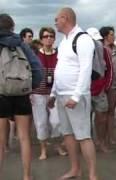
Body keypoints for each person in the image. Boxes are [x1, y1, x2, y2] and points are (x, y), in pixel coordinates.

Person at [49, 7, 98, 180]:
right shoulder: (63, 42)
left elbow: (85, 70)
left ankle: (93, 174)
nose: (55, 22)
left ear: (66, 18)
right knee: (68, 135)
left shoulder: (83, 39)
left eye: (57, 19)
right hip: (62, 94)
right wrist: (53, 93)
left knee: (83, 135)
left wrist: (76, 96)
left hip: (76, 95)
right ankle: (75, 169)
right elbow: (59, 70)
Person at [0, 13, 43, 180]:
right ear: (12, 27)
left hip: (1, 94)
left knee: (1, 141)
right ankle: (26, 176)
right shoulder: (22, 44)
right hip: (22, 94)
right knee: (24, 137)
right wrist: (28, 87)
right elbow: (37, 69)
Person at [31, 26, 67, 160]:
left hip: (54, 93)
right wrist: (29, 92)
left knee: (56, 121)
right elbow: (30, 73)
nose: (49, 38)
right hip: (38, 92)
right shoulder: (35, 55)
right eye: (46, 36)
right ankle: (43, 149)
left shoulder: (59, 54)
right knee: (41, 122)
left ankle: (57, 144)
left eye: (51, 36)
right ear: (41, 39)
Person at [86, 27, 113, 153]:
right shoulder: (82, 51)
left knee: (102, 118)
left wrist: (106, 86)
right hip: (85, 90)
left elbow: (110, 70)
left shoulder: (104, 50)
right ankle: (89, 143)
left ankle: (101, 142)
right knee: (86, 119)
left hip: (100, 89)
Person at [100, 26, 116, 145]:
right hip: (102, 86)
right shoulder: (100, 49)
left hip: (114, 84)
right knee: (102, 112)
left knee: (111, 112)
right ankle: (101, 138)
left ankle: (111, 136)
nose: (114, 37)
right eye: (112, 34)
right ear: (105, 36)